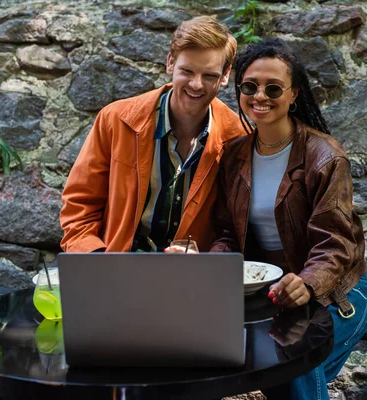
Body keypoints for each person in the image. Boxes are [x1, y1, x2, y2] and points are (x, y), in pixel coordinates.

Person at [210, 38, 367, 400]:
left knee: (292, 362)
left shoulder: (325, 156)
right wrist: (216, 268)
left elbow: (336, 243)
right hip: (273, 296)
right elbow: (226, 232)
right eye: (249, 86)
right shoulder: (235, 155)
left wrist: (309, 283)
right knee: (282, 368)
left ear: (294, 93)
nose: (260, 96)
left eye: (273, 87)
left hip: (336, 294)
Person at [60, 16, 245, 253]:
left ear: (225, 75)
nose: (197, 84)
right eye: (187, 71)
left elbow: (234, 228)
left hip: (191, 279)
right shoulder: (115, 120)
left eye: (209, 76)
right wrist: (97, 259)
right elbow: (79, 206)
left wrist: (206, 261)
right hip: (117, 269)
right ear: (170, 63)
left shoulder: (237, 138)